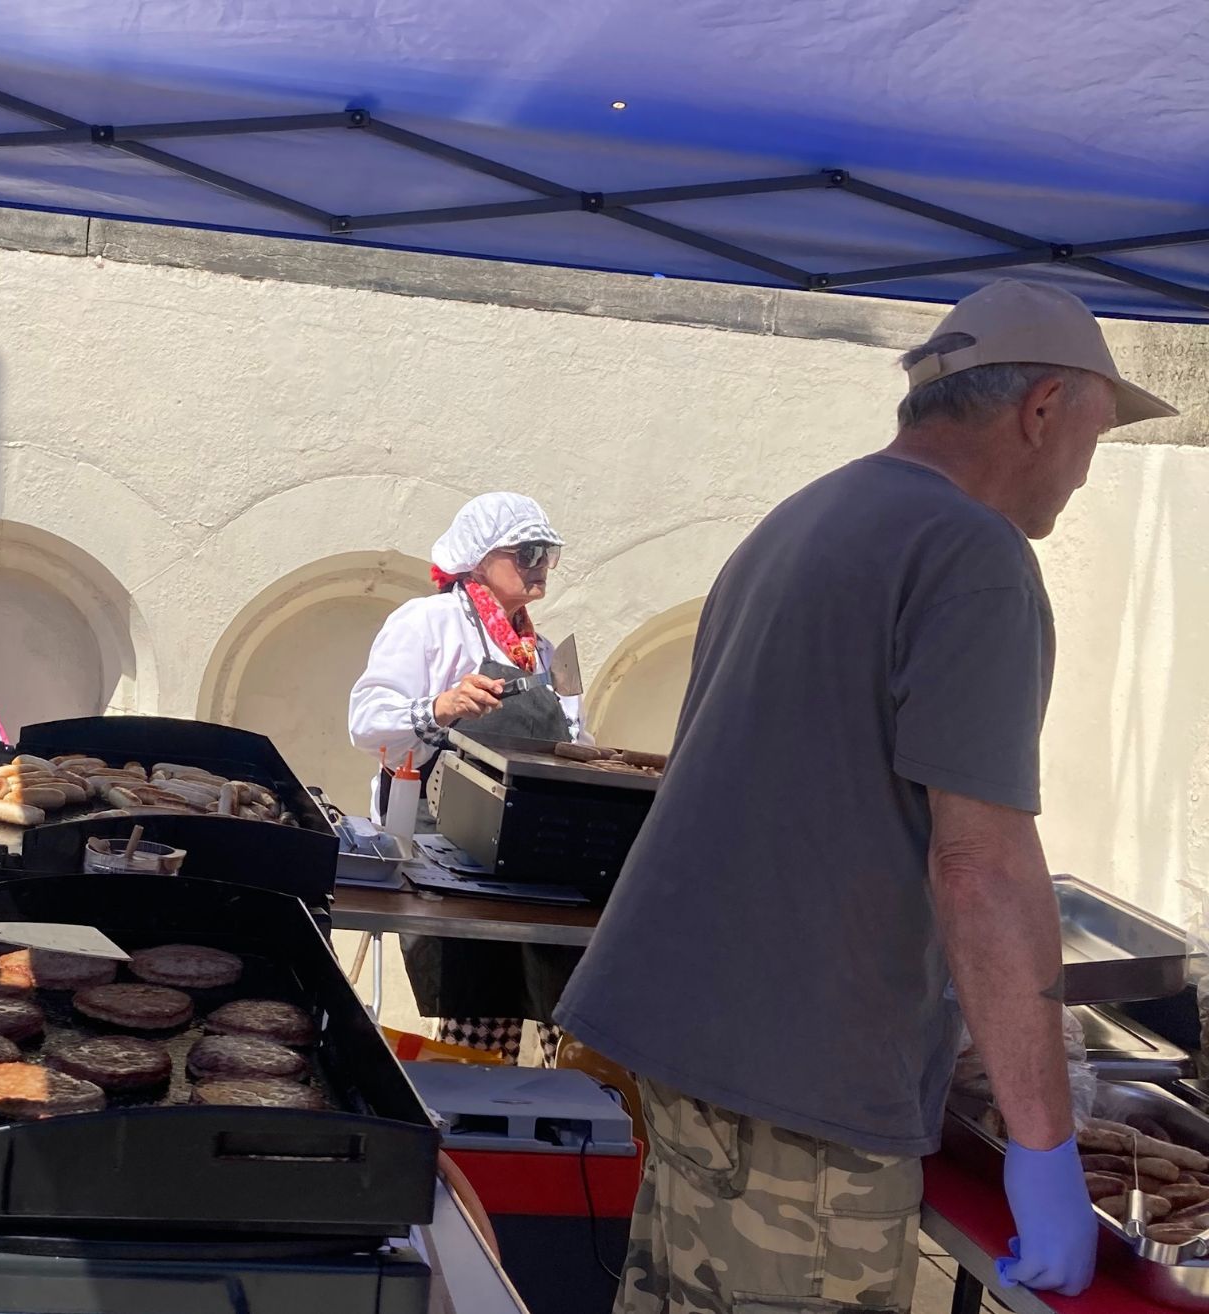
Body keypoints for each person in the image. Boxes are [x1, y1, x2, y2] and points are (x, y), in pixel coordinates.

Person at [556, 279, 1179, 1313]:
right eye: (1095, 433)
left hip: (692, 1044)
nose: (1083, 473)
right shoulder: (975, 557)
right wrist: (1043, 1148)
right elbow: (979, 862)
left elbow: (813, 800)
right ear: (1040, 412)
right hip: (805, 1083)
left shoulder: (810, 515)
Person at [350, 492, 590, 1063]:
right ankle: (472, 1122)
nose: (539, 565)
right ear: (481, 558)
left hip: (533, 857)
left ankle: (556, 1125)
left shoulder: (543, 650)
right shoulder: (428, 622)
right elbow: (366, 721)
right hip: (448, 852)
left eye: (547, 553)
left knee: (563, 1001)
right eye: (527, 551)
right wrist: (442, 705)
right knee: (479, 1009)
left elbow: (576, 738)